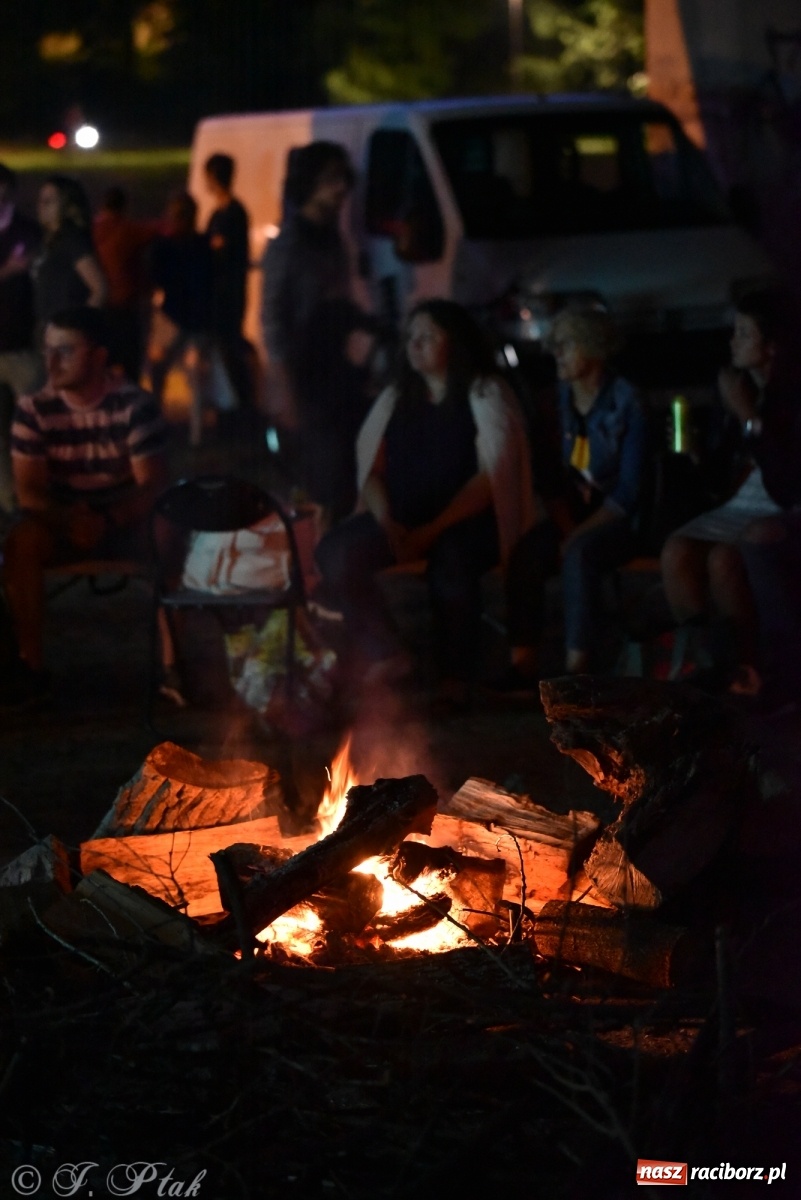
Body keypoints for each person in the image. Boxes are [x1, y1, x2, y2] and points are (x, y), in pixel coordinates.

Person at [315, 299, 545, 707]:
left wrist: (431, 532)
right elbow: (371, 470)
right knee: (336, 551)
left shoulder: (484, 393)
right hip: (402, 515)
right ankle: (386, 651)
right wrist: (386, 520)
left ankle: (455, 677)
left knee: (452, 563)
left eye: (428, 336)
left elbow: (493, 475)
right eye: (411, 337)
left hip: (469, 519)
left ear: (454, 343)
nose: (415, 345)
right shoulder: (396, 398)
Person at [1, 307, 168, 707]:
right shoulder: (35, 409)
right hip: (61, 522)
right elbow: (30, 492)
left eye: (66, 351)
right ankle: (30, 668)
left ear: (99, 356)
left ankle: (175, 664)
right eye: (48, 351)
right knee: (21, 544)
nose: (52, 362)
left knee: (170, 535)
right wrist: (68, 520)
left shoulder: (133, 406)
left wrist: (108, 520)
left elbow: (152, 486)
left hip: (124, 521)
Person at [660, 289, 788, 693]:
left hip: (781, 499)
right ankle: (708, 660)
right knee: (677, 550)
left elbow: (787, 478)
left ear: (772, 347)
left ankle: (749, 669)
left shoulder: (788, 394)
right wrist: (698, 453)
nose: (733, 342)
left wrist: (750, 416)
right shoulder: (740, 387)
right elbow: (720, 479)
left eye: (744, 334)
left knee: (723, 560)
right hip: (742, 502)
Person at [523, 305, 647, 676]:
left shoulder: (627, 402)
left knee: (580, 553)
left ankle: (577, 669)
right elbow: (549, 479)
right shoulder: (555, 402)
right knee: (526, 553)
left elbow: (629, 491)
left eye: (565, 345)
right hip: (572, 516)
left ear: (594, 348)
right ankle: (522, 663)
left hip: (618, 519)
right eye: (553, 345)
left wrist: (575, 535)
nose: (555, 354)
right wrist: (565, 528)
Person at [260, 141, 355, 493]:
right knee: (322, 476)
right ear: (310, 183)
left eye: (344, 177)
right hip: (306, 376)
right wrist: (284, 391)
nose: (342, 187)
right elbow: (273, 320)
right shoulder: (290, 244)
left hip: (336, 372)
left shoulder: (331, 237)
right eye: (331, 179)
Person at [145, 190, 224, 446]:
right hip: (188, 320)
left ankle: (177, 433)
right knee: (190, 379)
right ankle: (194, 436)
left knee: (168, 375)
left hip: (176, 319)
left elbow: (155, 279)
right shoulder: (203, 245)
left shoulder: (167, 246)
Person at [0, 163, 41, 513]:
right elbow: (16, 271)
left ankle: (33, 500)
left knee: (28, 430)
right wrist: (8, 272)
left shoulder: (28, 230)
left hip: (20, 345)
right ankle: (8, 502)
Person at [93, 186, 157, 383]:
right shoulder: (129, 231)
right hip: (126, 308)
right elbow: (157, 234)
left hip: (100, 310)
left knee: (102, 370)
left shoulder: (92, 232)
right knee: (130, 370)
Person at [204, 153, 251, 409]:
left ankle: (243, 405)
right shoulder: (221, 213)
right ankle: (231, 404)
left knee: (231, 349)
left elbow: (219, 250)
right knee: (225, 349)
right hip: (221, 292)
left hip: (230, 293)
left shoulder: (233, 213)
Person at [31, 175, 106, 331]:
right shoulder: (49, 242)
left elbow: (99, 288)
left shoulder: (72, 240)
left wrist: (78, 327)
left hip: (65, 333)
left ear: (67, 206)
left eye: (49, 201)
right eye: (40, 200)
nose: (41, 206)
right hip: (49, 331)